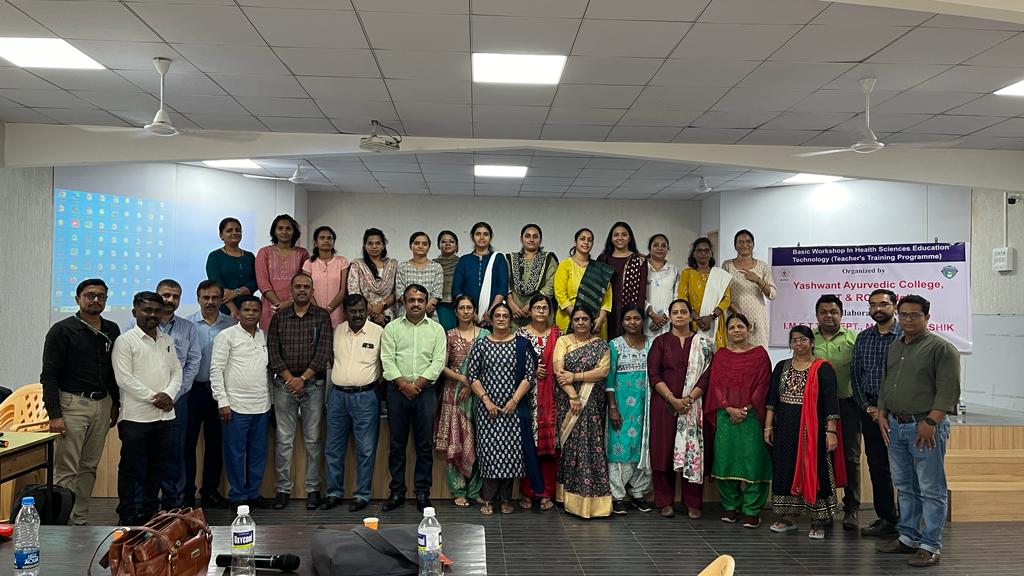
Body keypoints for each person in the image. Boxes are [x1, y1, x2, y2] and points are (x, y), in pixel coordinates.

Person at [876, 295, 960, 568]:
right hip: (896, 426)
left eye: (915, 315)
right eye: (904, 314)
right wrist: (882, 412)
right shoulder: (895, 346)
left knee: (931, 488)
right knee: (905, 486)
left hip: (925, 427)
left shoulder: (941, 348)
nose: (908, 319)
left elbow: (949, 391)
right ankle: (908, 537)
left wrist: (932, 422)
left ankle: (930, 545)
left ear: (927, 317)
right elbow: (886, 382)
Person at [41, 278, 121, 525]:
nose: (96, 300)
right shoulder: (62, 330)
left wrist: (115, 404)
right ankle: (60, 523)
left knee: (89, 466)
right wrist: (54, 414)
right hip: (72, 405)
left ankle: (79, 519)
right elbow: (49, 375)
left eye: (101, 296)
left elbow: (114, 372)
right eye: (90, 295)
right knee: (66, 468)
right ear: (78, 299)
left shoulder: (112, 329)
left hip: (103, 404)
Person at [765, 325, 844, 540]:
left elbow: (830, 403)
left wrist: (831, 432)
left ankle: (818, 520)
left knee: (815, 468)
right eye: (794, 340)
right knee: (786, 467)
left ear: (812, 342)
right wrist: (768, 426)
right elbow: (772, 400)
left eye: (803, 339)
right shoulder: (782, 366)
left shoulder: (822, 368)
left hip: (813, 429)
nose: (798, 344)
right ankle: (788, 517)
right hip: (784, 427)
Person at [112, 291, 181, 525]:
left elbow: (177, 371)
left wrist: (169, 395)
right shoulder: (125, 341)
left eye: (156, 311)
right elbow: (124, 378)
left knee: (157, 466)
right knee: (131, 467)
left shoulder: (166, 340)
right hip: (135, 417)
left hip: (164, 416)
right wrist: (154, 397)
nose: (152, 315)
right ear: (135, 312)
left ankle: (150, 512)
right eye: (147, 310)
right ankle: (127, 514)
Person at [266, 272, 332, 510]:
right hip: (283, 385)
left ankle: (313, 489)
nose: (302, 290)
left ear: (312, 291)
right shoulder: (280, 317)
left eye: (306, 286)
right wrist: (290, 379)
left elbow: (323, 352)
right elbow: (273, 351)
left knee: (313, 439)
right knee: (284, 440)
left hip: (313, 385)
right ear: (291, 290)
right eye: (298, 286)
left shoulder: (322, 316)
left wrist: (302, 378)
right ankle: (283, 490)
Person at [465, 301, 538, 515]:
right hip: (487, 410)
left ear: (511, 319)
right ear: (491, 319)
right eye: (497, 315)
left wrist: (514, 400)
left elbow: (529, 375)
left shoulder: (521, 344)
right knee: (488, 453)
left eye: (505, 315)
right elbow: (472, 375)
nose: (501, 319)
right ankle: (488, 499)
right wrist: (486, 400)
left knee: (510, 454)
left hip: (513, 409)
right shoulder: (481, 344)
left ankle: (506, 499)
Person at [380, 283, 447, 512]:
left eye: (420, 300)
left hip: (425, 393)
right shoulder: (392, 328)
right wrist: (403, 385)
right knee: (396, 444)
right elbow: (387, 360)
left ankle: (422, 493)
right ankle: (397, 492)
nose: (416, 304)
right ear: (404, 302)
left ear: (426, 303)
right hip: (396, 392)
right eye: (411, 300)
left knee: (424, 445)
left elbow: (438, 362)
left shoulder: (436, 329)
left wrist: (417, 385)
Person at [647, 299, 714, 519]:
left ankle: (693, 502)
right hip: (664, 404)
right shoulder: (660, 342)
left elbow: (707, 375)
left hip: (694, 406)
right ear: (670, 316)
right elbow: (654, 374)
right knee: (663, 451)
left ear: (690, 315)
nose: (679, 316)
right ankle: (664, 501)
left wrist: (689, 399)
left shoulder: (703, 343)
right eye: (675, 312)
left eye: (683, 312)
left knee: (692, 452)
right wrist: (672, 399)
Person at [705, 314, 772, 528]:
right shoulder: (721, 355)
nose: (736, 330)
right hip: (726, 416)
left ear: (748, 328)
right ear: (727, 331)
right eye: (731, 327)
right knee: (726, 460)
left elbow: (763, 384)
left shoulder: (760, 354)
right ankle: (730, 506)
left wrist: (745, 409)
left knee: (753, 461)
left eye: (740, 326)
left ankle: (752, 509)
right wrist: (728, 408)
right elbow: (715, 384)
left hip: (752, 417)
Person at [323, 294, 383, 512]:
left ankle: (362, 494)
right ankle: (333, 493)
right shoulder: (337, 331)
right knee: (333, 448)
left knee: (365, 449)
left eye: (361, 311)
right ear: (345, 312)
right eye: (353, 311)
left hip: (365, 397)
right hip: (337, 396)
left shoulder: (378, 332)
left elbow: (384, 364)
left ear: (367, 310)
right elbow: (331, 359)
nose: (357, 315)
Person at [210, 296, 271, 510]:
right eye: (246, 309)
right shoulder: (226, 336)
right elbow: (216, 370)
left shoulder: (264, 336)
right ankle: (238, 495)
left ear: (261, 313)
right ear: (239, 313)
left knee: (258, 453)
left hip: (262, 405)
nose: (251, 313)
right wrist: (222, 401)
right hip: (235, 406)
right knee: (235, 453)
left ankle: (253, 492)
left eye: (255, 310)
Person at [553, 305, 612, 518]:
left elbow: (603, 371)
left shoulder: (601, 345)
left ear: (591, 322)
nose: (580, 322)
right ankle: (568, 497)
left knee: (591, 446)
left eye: (585, 319)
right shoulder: (563, 341)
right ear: (572, 321)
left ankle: (594, 502)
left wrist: (576, 377)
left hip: (593, 402)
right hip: (568, 401)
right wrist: (573, 395)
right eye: (577, 319)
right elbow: (559, 371)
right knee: (571, 447)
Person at [851, 289, 901, 537]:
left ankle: (909, 521)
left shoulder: (904, 336)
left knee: (903, 467)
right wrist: (868, 407)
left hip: (898, 413)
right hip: (869, 412)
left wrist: (885, 409)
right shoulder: (863, 337)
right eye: (873, 305)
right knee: (878, 466)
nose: (877, 309)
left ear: (894, 306)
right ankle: (887, 518)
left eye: (883, 304)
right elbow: (856, 376)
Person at [184, 280, 236, 509]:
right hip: (192, 391)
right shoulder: (187, 325)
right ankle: (186, 492)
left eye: (215, 297)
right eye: (206, 297)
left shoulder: (231, 324)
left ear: (222, 299)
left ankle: (210, 492)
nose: (210, 302)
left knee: (216, 444)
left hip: (219, 394)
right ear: (198, 299)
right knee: (187, 444)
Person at [150, 279, 201, 510]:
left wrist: (174, 394)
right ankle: (147, 504)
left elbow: (193, 362)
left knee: (176, 452)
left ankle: (174, 504)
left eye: (175, 296)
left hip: (177, 400)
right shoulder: (136, 324)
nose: (170, 300)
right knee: (146, 453)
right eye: (166, 295)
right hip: (146, 401)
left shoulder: (187, 327)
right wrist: (151, 395)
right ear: (157, 295)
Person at [812, 294, 860, 530]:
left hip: (848, 405)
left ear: (841, 314)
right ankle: (826, 507)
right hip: (817, 408)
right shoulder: (809, 339)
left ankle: (852, 508)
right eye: (823, 312)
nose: (829, 316)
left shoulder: (854, 338)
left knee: (851, 457)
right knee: (822, 456)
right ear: (817, 315)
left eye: (833, 312)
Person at [434, 294, 488, 507]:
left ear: (474, 311)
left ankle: (475, 490)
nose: (466, 311)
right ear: (455, 312)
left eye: (469, 307)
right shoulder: (448, 335)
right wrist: (462, 379)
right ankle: (458, 491)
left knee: (478, 442)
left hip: (480, 394)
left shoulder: (485, 335)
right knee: (455, 442)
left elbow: (489, 365)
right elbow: (441, 366)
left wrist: (471, 384)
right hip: (454, 395)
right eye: (462, 308)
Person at [605, 305, 654, 514]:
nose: (632, 322)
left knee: (643, 447)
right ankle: (617, 495)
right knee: (620, 447)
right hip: (622, 407)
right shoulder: (614, 345)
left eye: (636, 318)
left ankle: (638, 493)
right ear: (622, 322)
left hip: (646, 407)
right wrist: (613, 407)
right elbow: (609, 379)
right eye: (627, 318)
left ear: (643, 321)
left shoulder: (652, 343)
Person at [516, 294, 560, 511]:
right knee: (528, 445)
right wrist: (532, 371)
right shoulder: (520, 335)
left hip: (553, 398)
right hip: (528, 397)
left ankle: (546, 492)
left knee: (550, 447)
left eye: (545, 308)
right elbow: (514, 365)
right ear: (530, 311)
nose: (541, 311)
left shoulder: (558, 335)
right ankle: (528, 491)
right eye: (537, 307)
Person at [553, 228, 613, 338]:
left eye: (589, 240)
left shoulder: (599, 269)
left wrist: (600, 319)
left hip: (596, 321)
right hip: (569, 319)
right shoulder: (565, 265)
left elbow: (607, 299)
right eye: (582, 239)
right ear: (575, 242)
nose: (586, 242)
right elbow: (560, 294)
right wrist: (578, 317)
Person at [722, 230, 775, 349]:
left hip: (757, 319)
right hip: (734, 318)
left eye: (748, 241)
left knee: (758, 352)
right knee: (735, 352)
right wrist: (737, 313)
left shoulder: (762, 266)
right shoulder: (727, 265)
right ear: (735, 245)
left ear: (753, 244)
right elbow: (722, 294)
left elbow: (772, 294)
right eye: (740, 242)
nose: (744, 245)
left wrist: (757, 280)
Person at [255, 214, 310, 331]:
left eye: (288, 228)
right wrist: (278, 304)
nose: (284, 232)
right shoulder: (264, 252)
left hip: (296, 305)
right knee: (269, 340)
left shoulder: (302, 253)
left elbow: (305, 281)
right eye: (280, 228)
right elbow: (262, 282)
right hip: (270, 307)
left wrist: (289, 302)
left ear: (294, 232)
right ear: (274, 231)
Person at [677, 237, 731, 349]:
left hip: (715, 322)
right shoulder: (687, 273)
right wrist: (698, 320)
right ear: (694, 254)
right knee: (695, 354)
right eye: (699, 250)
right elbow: (682, 298)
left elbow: (726, 299)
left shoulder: (720, 275)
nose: (703, 253)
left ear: (711, 254)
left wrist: (711, 317)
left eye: (707, 250)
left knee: (717, 355)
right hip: (694, 323)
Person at [598, 222, 648, 340]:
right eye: (616, 235)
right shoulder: (603, 259)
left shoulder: (640, 260)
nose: (620, 237)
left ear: (629, 238)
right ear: (611, 238)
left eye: (624, 234)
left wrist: (637, 315)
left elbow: (641, 292)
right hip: (606, 311)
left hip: (630, 313)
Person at [453, 222, 508, 325]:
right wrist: (470, 312)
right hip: (467, 315)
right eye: (478, 234)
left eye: (485, 234)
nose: (482, 237)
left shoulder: (498, 259)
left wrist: (491, 312)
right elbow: (457, 289)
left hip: (493, 316)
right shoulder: (464, 260)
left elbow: (502, 288)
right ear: (472, 237)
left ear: (490, 237)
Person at [506, 224, 558, 329]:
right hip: (515, 310)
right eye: (527, 236)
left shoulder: (548, 259)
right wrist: (511, 303)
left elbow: (551, 285)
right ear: (521, 239)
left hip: (540, 310)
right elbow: (504, 282)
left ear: (540, 240)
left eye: (535, 236)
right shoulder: (510, 259)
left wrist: (532, 304)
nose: (531, 240)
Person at [205, 217, 257, 318]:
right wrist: (233, 309)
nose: (234, 233)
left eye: (237, 230)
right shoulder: (215, 256)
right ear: (221, 235)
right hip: (225, 309)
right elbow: (217, 285)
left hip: (248, 309)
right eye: (229, 230)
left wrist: (237, 292)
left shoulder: (249, 256)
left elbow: (256, 281)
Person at [347, 227, 398, 326]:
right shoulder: (357, 265)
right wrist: (374, 313)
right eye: (370, 243)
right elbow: (354, 292)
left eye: (378, 243)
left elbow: (396, 292)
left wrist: (381, 306)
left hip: (389, 315)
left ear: (383, 246)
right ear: (364, 246)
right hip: (364, 315)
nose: (374, 246)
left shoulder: (392, 265)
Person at [302, 225, 349, 328]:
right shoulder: (308, 263)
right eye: (322, 238)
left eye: (329, 238)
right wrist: (318, 311)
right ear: (315, 242)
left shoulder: (342, 261)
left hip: (337, 314)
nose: (326, 240)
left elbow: (343, 290)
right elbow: (306, 290)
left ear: (333, 242)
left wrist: (328, 310)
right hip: (314, 313)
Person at [395, 231, 443, 319]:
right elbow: (399, 292)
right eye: (417, 243)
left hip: (429, 314)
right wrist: (413, 307)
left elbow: (437, 294)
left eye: (424, 244)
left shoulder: (436, 267)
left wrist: (423, 309)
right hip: (405, 314)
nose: (420, 246)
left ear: (429, 247)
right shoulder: (402, 267)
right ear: (410, 246)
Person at [644, 234, 678, 338]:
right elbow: (638, 295)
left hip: (668, 322)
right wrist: (652, 314)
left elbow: (677, 296)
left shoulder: (674, 270)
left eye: (663, 246)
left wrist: (665, 317)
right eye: (656, 245)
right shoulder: (642, 268)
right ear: (649, 248)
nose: (660, 248)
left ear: (667, 250)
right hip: (647, 321)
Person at [433, 230, 460, 331]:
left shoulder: (463, 262)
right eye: (443, 241)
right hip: (441, 305)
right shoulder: (433, 264)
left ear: (456, 246)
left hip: (460, 304)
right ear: (438, 245)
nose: (447, 244)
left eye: (451, 241)